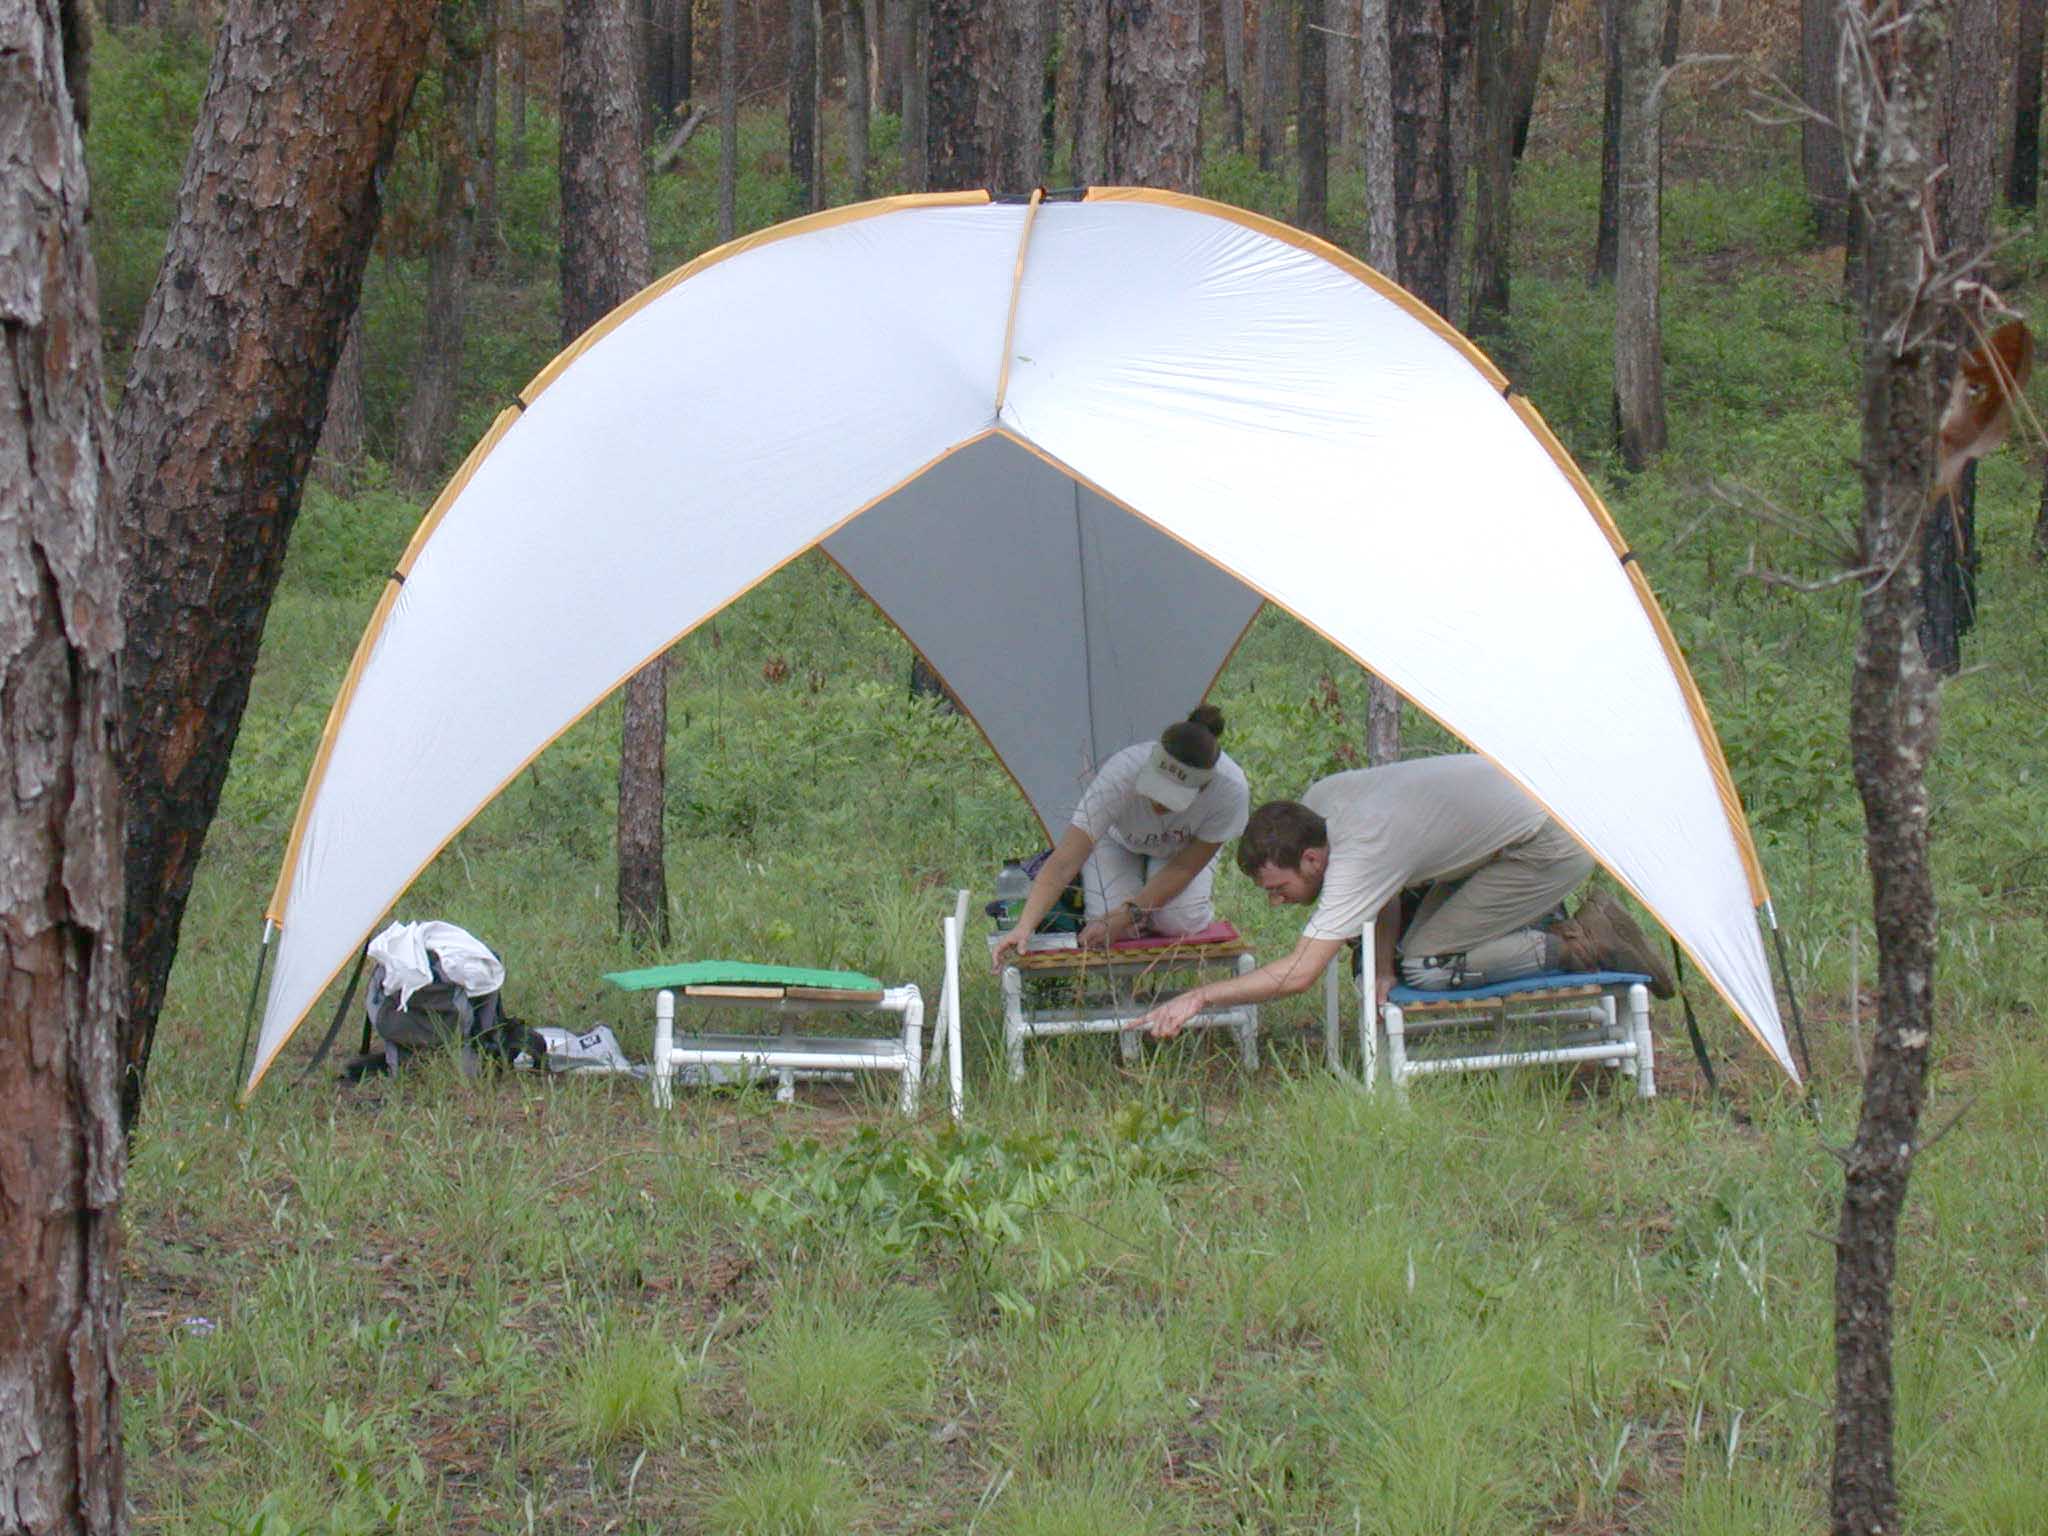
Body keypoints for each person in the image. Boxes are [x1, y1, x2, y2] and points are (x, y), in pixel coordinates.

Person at [1136, 754, 1673, 1038]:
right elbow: (1385, 887)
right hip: (1532, 809)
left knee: (1430, 966)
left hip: (1550, 845)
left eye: (1279, 890)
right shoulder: (1321, 806)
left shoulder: (1360, 848)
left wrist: (1200, 996)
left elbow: (1299, 973)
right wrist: (1382, 964)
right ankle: (1537, 922)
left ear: (1312, 861)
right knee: (1406, 955)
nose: (1276, 902)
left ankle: (1582, 941)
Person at [991, 706, 1250, 972]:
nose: (1159, 805)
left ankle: (1162, 910)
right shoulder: (1123, 770)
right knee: (1109, 926)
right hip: (1117, 841)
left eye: (1172, 797)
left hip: (1182, 852)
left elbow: (1184, 868)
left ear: (1204, 787)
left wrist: (1128, 913)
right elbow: (1065, 860)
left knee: (1177, 922)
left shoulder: (1230, 791)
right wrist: (1024, 927)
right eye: (1155, 789)